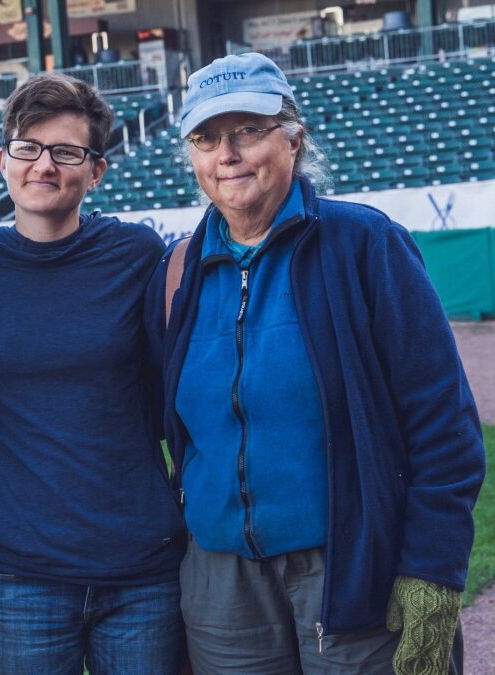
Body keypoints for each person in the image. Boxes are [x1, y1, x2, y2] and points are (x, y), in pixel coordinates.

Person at [144, 52, 486, 674]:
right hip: (222, 586)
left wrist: (432, 570)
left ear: (293, 139)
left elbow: (442, 422)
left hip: (352, 566)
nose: (227, 154)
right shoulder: (177, 270)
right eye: (206, 138)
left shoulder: (365, 244)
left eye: (248, 130)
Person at [0, 73, 186, 674]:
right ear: (4, 159)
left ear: (96, 170)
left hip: (141, 570)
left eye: (67, 152)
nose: (44, 165)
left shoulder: (136, 255)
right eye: (28, 147)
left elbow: (178, 384)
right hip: (23, 573)